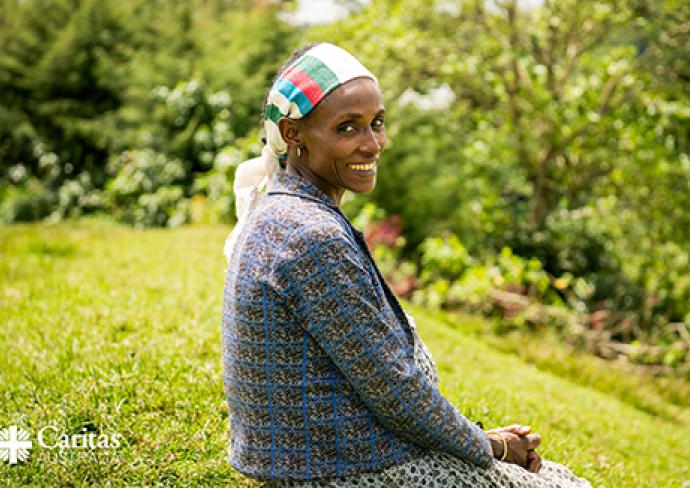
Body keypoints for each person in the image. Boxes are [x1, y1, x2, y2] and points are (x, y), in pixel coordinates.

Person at [222, 42, 592, 487]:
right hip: (346, 471)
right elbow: (395, 391)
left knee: (558, 477)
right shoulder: (310, 236)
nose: (372, 143)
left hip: (339, 453)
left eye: (376, 122)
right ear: (294, 133)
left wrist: (482, 439)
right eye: (347, 128)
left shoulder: (286, 209)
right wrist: (490, 446)